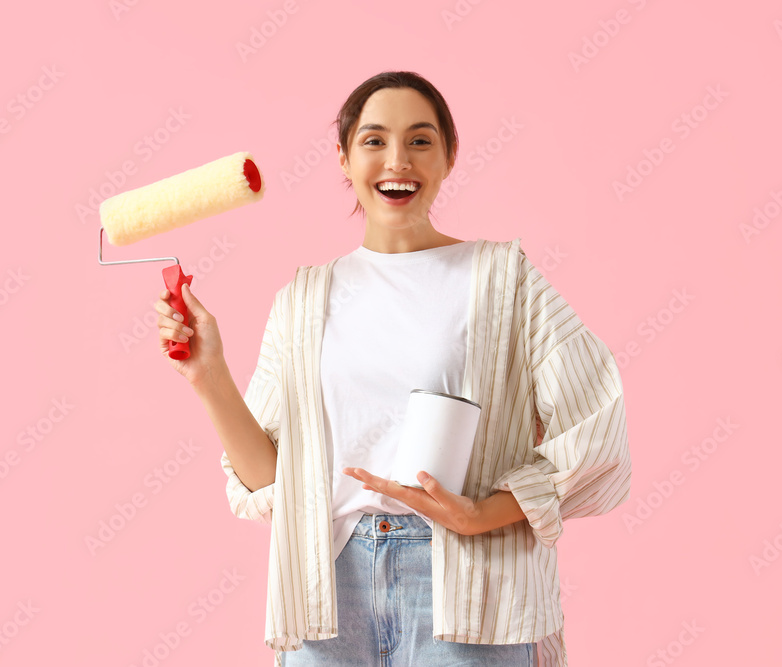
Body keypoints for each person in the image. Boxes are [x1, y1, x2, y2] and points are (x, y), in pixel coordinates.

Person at [154, 71, 631, 667]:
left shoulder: (502, 278)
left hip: (467, 589)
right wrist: (209, 373)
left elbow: (599, 427)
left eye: (421, 140)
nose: (397, 160)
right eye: (374, 140)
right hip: (328, 591)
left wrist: (483, 513)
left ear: (450, 156)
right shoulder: (304, 299)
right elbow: (273, 482)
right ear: (344, 157)